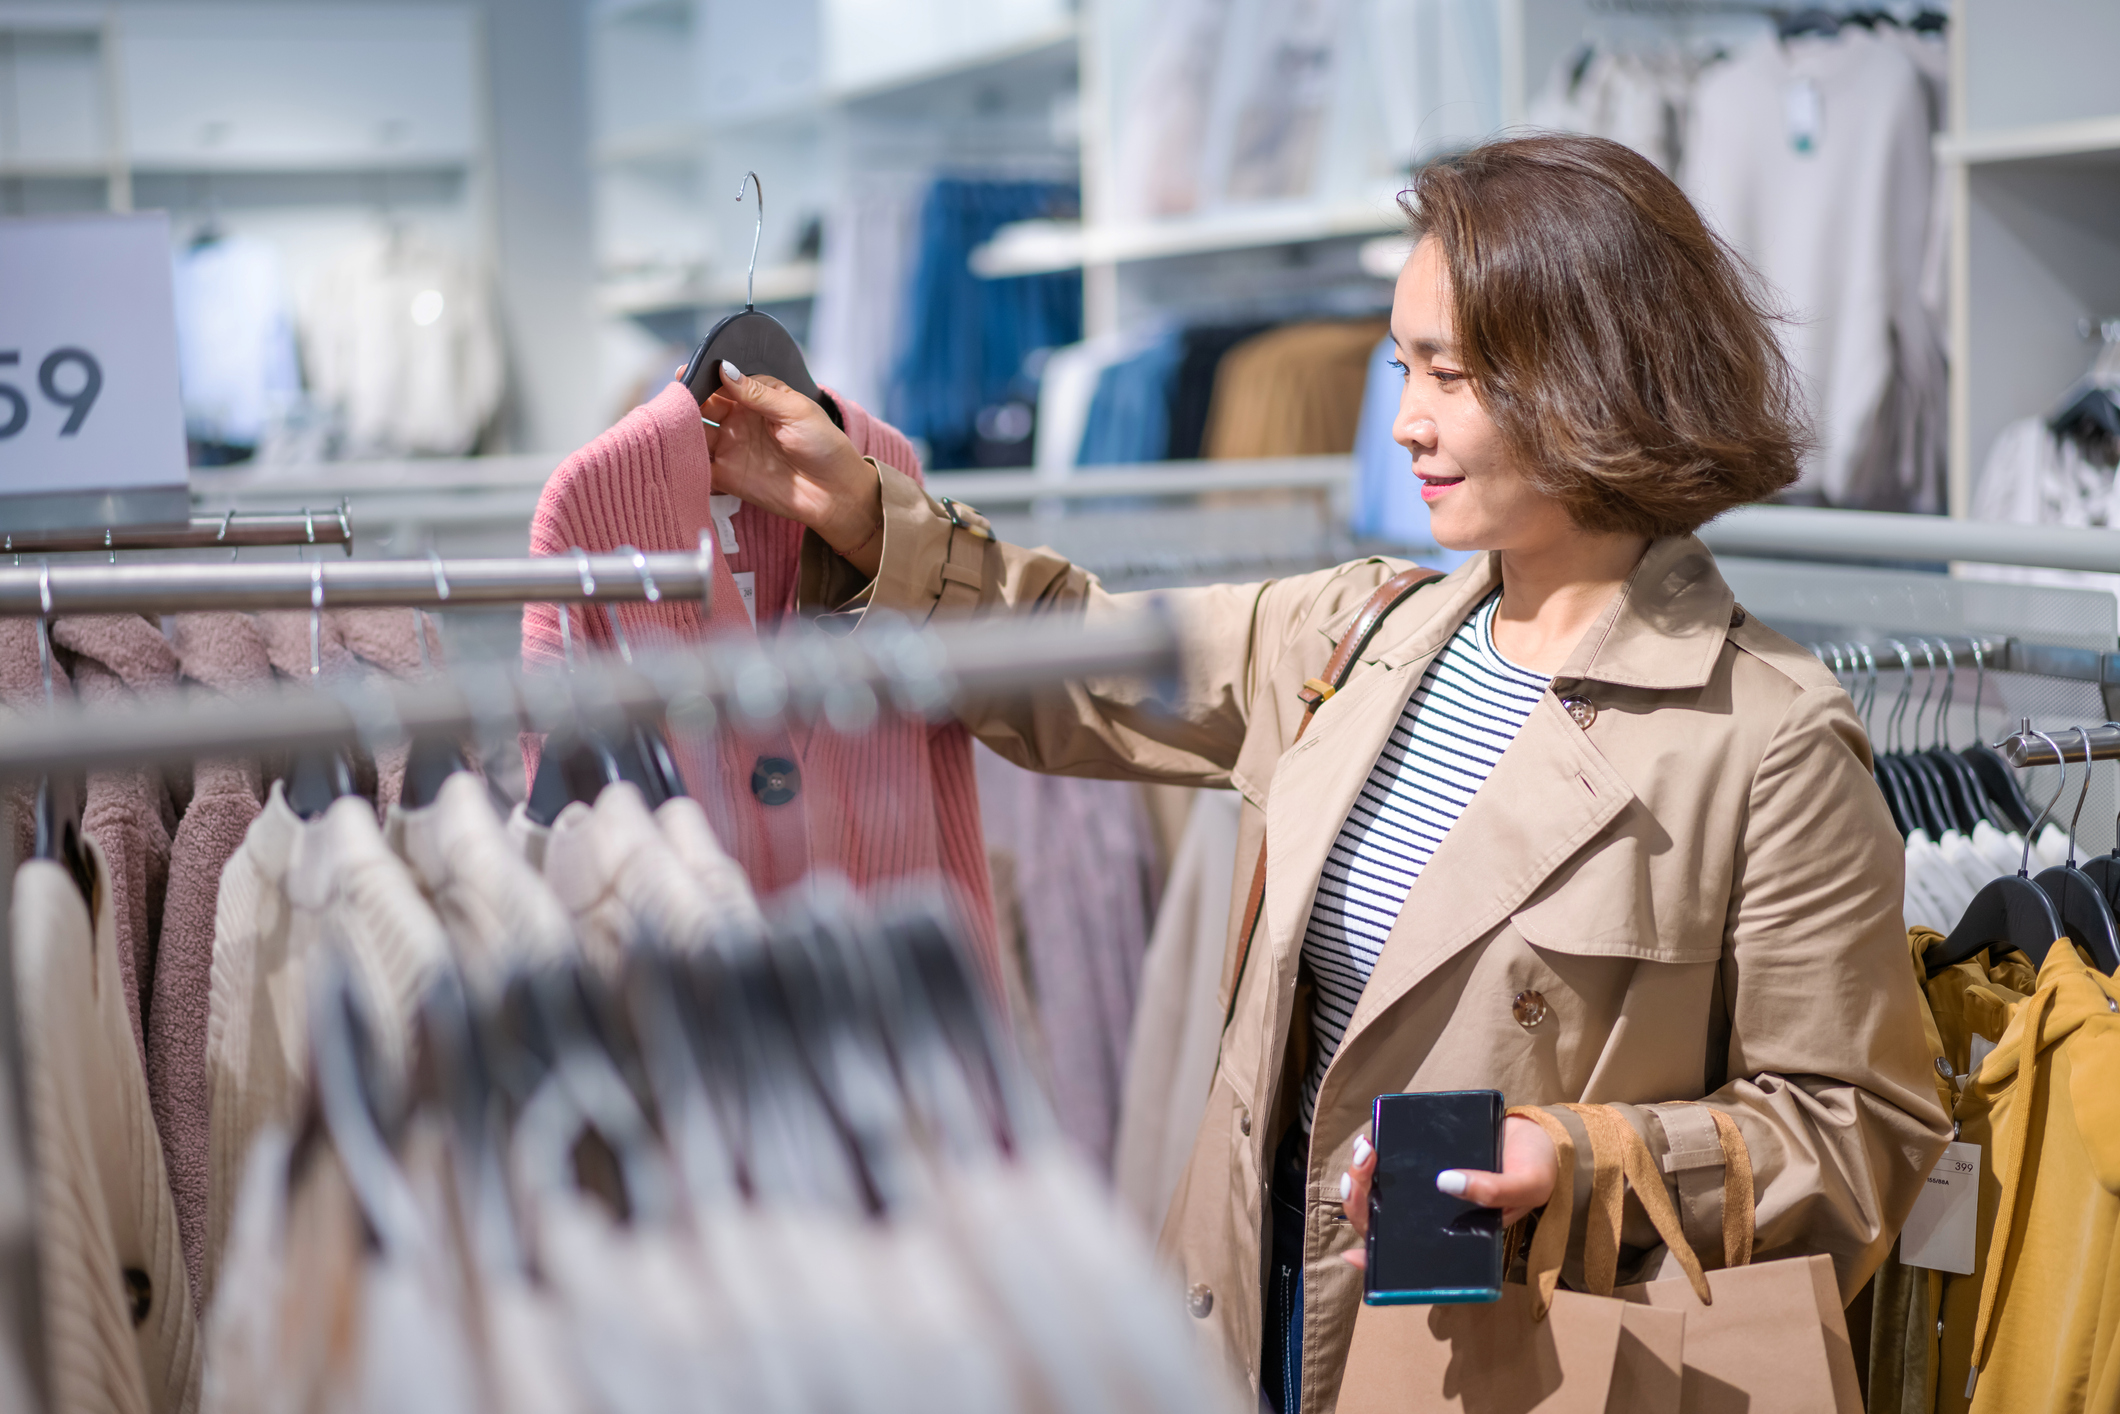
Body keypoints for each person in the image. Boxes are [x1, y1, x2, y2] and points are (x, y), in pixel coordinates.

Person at [696, 133, 1950, 1413]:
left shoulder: (1763, 733)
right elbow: (1077, 653)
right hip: (1261, 1324)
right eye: (1401, 365)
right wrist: (864, 513)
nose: (1405, 418)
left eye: (1451, 375)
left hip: (1516, 1361)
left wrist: (1582, 1156)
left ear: (1594, 376)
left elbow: (1860, 1129)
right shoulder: (1359, 636)